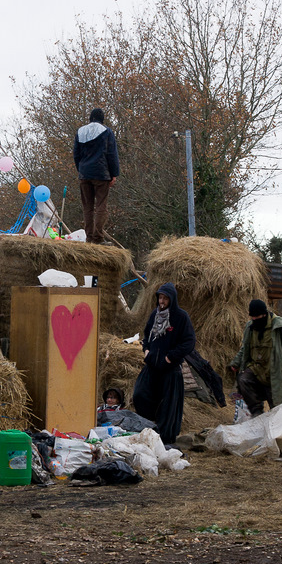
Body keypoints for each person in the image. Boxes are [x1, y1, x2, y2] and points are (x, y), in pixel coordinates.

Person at [132, 283, 196, 445]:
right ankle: (150, 429)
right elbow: (147, 335)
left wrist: (170, 357)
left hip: (170, 368)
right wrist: (146, 350)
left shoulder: (181, 317)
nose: (162, 301)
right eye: (160, 297)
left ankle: (165, 439)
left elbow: (189, 342)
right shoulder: (155, 314)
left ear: (172, 299)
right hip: (152, 366)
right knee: (140, 395)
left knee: (168, 405)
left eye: (165, 298)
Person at [228, 299, 282, 419]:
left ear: (264, 314)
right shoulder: (250, 327)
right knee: (243, 379)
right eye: (253, 317)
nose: (255, 319)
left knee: (278, 410)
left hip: (274, 372)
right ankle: (256, 412)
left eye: (257, 316)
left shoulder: (279, 326)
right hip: (257, 369)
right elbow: (245, 348)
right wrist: (236, 362)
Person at [72, 108, 120, 244]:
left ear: (90, 118)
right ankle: (98, 238)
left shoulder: (80, 132)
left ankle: (89, 238)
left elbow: (76, 154)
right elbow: (111, 154)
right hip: (101, 174)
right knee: (100, 206)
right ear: (102, 119)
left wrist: (80, 170)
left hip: (84, 174)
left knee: (87, 207)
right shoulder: (107, 131)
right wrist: (114, 174)